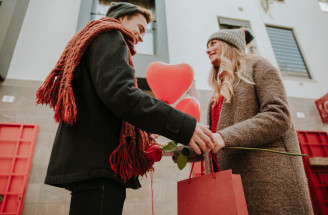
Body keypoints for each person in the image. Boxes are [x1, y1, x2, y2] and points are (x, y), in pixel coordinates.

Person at [36, 2, 214, 215]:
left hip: (94, 165)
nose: (141, 37)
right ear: (121, 19)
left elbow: (111, 103)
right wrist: (184, 126)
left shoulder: (95, 39)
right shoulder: (110, 35)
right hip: (102, 167)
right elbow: (123, 95)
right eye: (139, 29)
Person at [204, 28, 313, 214]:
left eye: (213, 43)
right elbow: (213, 139)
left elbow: (278, 115)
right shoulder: (217, 92)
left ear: (229, 44)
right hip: (228, 185)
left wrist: (223, 137)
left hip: (267, 182)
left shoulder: (258, 66)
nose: (207, 50)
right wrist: (176, 148)